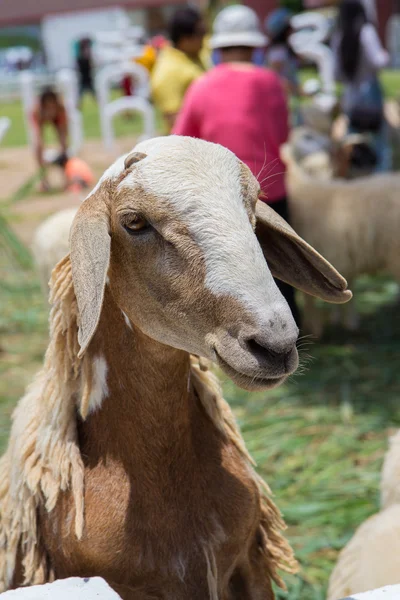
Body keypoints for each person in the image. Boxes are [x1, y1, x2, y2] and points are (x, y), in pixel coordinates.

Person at [173, 5, 300, 326]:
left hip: (223, 197)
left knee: (232, 272)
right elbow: (283, 134)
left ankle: (239, 334)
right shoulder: (271, 82)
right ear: (255, 46)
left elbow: (182, 142)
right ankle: (290, 332)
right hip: (271, 192)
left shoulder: (200, 86)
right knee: (282, 270)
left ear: (217, 47)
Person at [332, 0, 390, 172]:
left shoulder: (338, 36)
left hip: (350, 95)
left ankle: (356, 173)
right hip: (369, 92)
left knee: (354, 141)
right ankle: (379, 177)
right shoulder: (366, 32)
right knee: (378, 141)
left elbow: (336, 74)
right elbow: (378, 61)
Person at [151, 6, 207, 132]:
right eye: (201, 33)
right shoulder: (168, 71)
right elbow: (175, 122)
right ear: (184, 38)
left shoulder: (194, 55)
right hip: (190, 145)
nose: (204, 37)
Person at [31, 87, 68, 192]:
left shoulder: (60, 108)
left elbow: (63, 134)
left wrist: (62, 148)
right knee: (38, 148)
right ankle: (44, 181)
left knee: (64, 146)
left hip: (58, 119)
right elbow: (38, 136)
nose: (51, 109)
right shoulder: (37, 110)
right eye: (48, 106)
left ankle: (66, 179)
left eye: (52, 106)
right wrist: (42, 155)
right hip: (40, 118)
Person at [76, 38, 95, 103]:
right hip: (83, 79)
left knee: (96, 96)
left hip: (88, 79)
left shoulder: (88, 57)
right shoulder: (80, 58)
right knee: (79, 99)